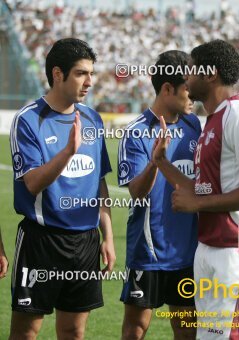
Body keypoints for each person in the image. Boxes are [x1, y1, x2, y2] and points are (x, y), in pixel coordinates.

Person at [149, 39, 239, 339]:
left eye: (191, 70)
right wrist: (162, 163)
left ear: (210, 74)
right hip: (212, 244)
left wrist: (197, 205)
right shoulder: (212, 119)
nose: (186, 77)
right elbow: (203, 190)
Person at [9, 38, 115, 339]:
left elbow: (100, 184)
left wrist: (107, 236)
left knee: (73, 332)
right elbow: (32, 183)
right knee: (26, 333)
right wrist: (68, 151)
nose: (90, 82)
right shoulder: (29, 120)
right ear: (58, 74)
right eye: (82, 73)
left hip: (85, 243)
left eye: (91, 74)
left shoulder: (92, 119)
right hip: (41, 241)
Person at [118, 50, 200, 340]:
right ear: (167, 89)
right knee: (135, 329)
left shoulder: (194, 125)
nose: (194, 97)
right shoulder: (136, 132)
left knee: (187, 329)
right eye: (188, 90)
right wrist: (155, 161)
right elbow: (137, 193)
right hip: (148, 251)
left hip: (188, 251)